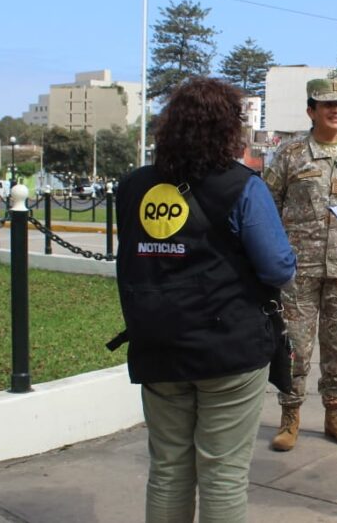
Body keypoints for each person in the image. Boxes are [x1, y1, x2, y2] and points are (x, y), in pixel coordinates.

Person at [113, 77, 296, 522]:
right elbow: (276, 268)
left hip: (158, 345)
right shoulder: (242, 186)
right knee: (223, 474)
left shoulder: (134, 187)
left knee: (169, 469)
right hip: (228, 348)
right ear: (227, 130)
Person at [262, 77, 337, 452]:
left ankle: (335, 415)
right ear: (311, 110)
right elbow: (267, 205)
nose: (336, 110)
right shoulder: (291, 154)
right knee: (295, 346)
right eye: (327, 105)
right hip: (299, 270)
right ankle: (290, 417)